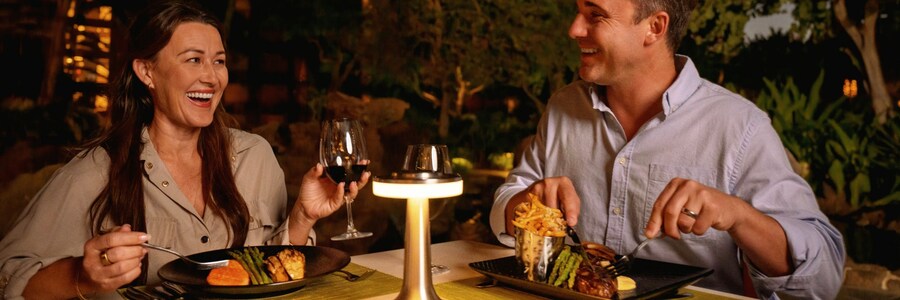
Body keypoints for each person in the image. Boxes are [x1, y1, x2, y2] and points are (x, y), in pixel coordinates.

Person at [0, 1, 368, 299]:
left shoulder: (256, 157)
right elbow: (8, 274)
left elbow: (266, 271)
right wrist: (81, 275)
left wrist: (302, 218)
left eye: (219, 61)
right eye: (193, 59)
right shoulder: (96, 171)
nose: (211, 76)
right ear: (147, 72)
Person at [490, 0, 845, 298]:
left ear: (655, 27)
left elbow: (823, 277)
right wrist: (527, 203)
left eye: (595, 14)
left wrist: (739, 216)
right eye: (578, 10)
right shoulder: (563, 107)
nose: (574, 29)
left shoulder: (740, 127)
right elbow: (506, 206)